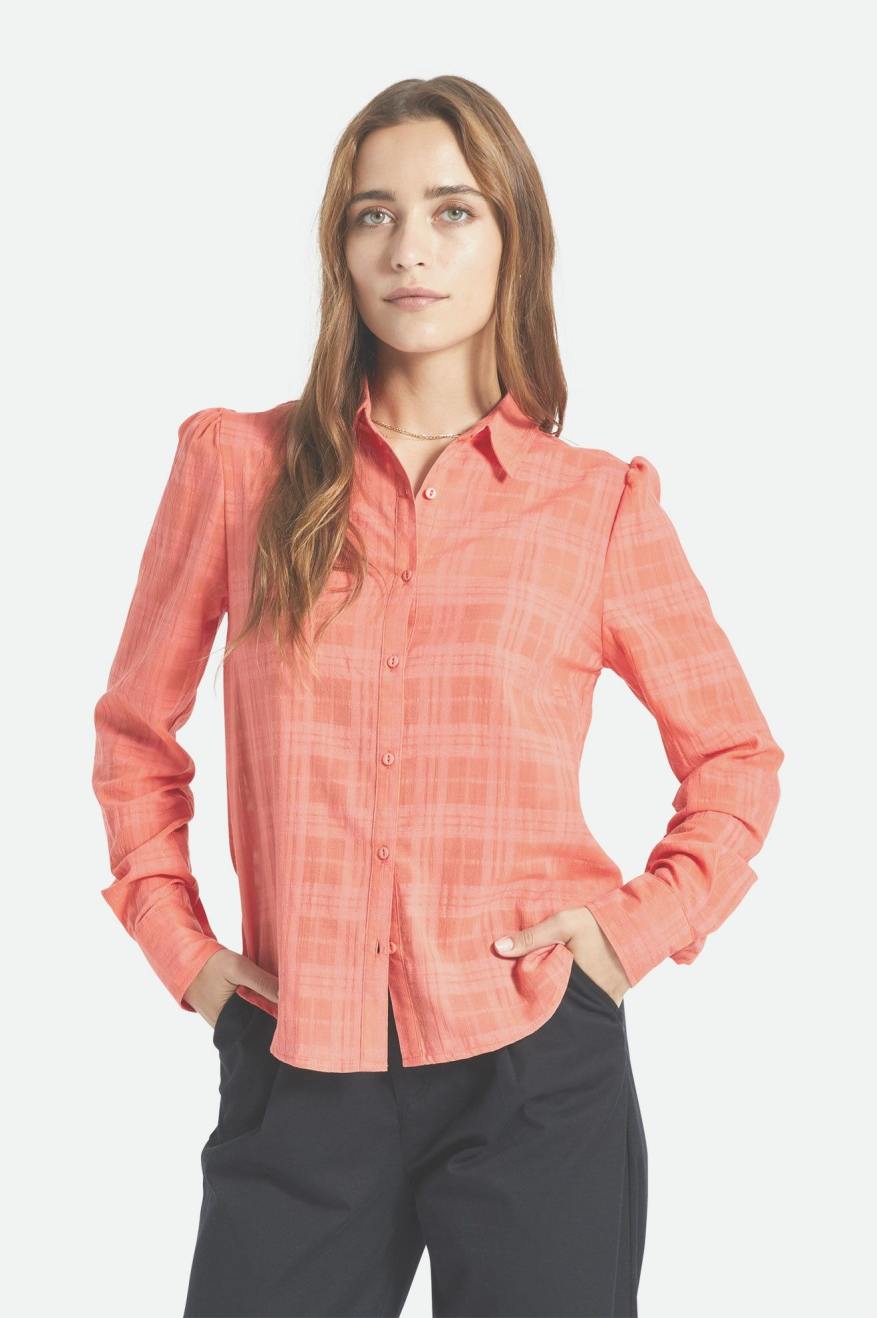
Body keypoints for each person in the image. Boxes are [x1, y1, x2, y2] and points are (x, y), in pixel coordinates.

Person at [91, 76, 784, 1318]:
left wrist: (624, 939)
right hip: (297, 1056)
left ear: (512, 236)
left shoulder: (595, 504)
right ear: (339, 244)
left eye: (452, 210)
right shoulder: (238, 470)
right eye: (375, 213)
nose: (409, 248)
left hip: (533, 1069)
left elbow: (736, 756)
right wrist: (185, 954)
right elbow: (137, 737)